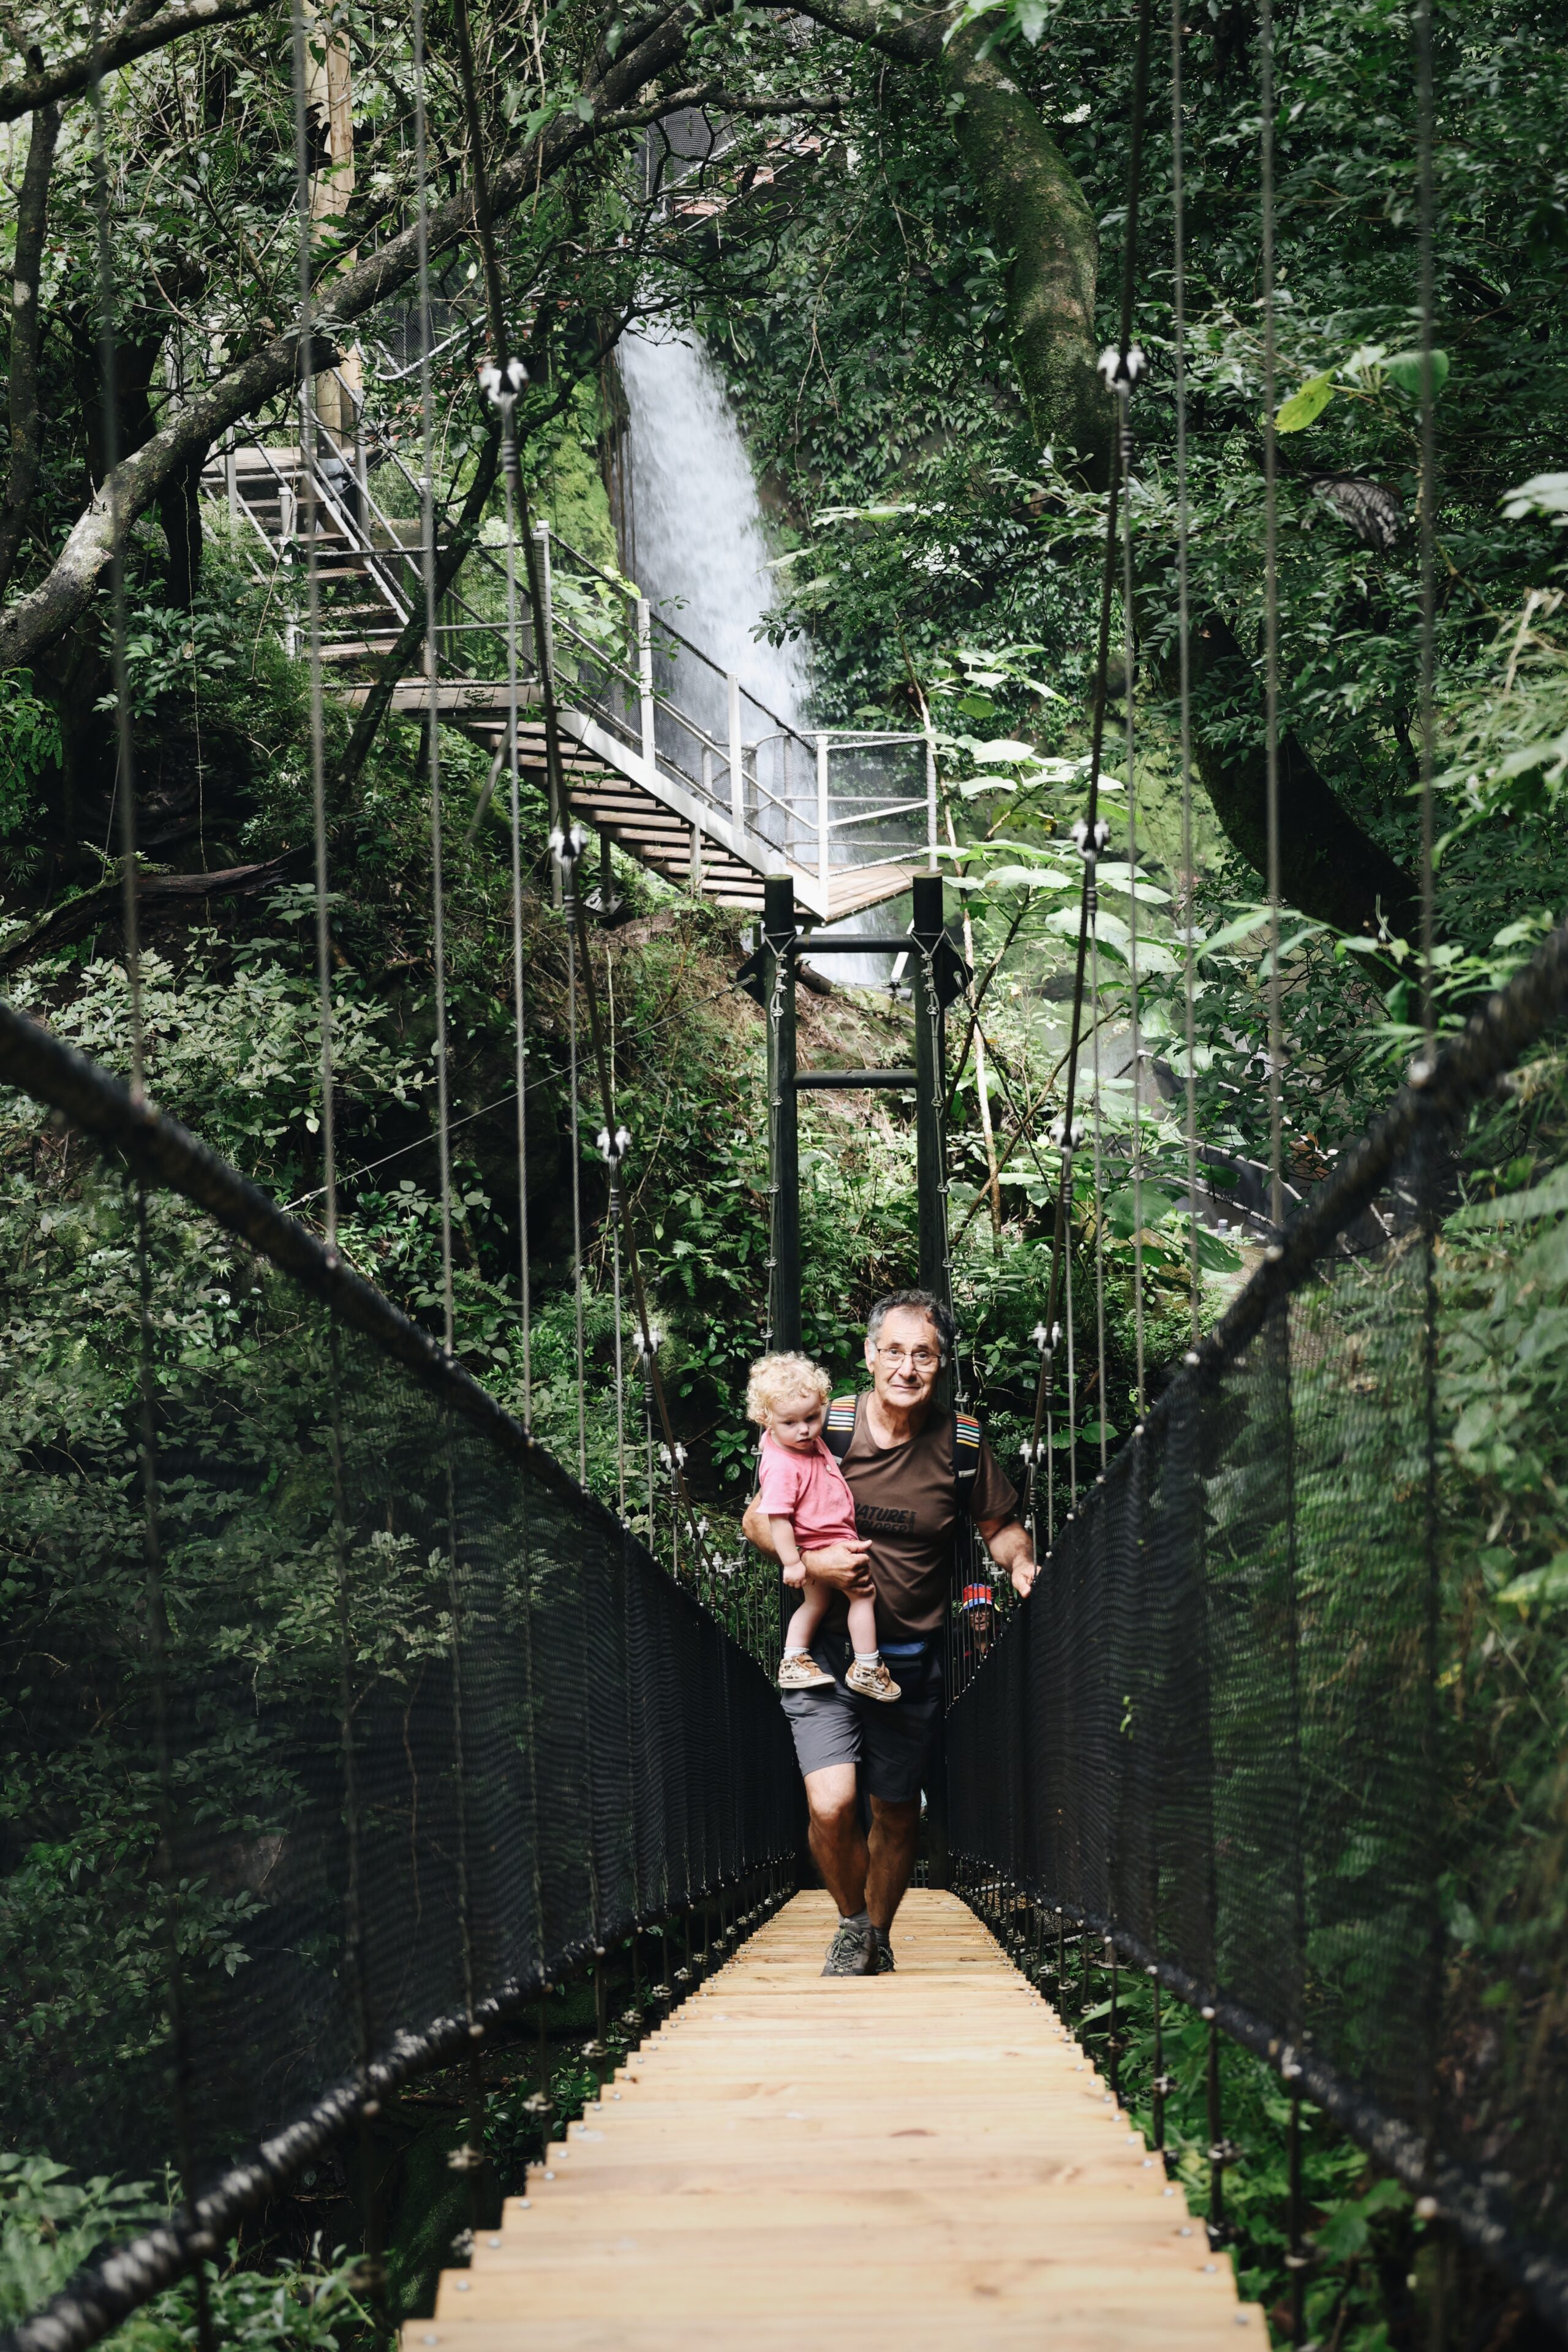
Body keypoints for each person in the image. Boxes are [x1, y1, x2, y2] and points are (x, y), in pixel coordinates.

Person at [743, 1287, 1037, 1978]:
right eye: (895, 1352)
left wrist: (1021, 1562)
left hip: (906, 1661)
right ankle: (851, 1925)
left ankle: (876, 1933)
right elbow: (758, 1518)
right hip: (825, 1655)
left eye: (924, 1355)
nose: (908, 1368)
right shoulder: (826, 1426)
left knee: (897, 1812)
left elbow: (999, 1527)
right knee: (832, 1803)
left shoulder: (962, 1444)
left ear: (942, 1363)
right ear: (870, 1355)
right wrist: (815, 1563)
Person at [748, 1352, 902, 1702]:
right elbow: (777, 1518)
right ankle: (867, 1667)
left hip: (825, 1536)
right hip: (822, 1540)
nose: (804, 1429)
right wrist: (792, 1562)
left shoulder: (792, 1441)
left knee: (815, 1604)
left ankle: (793, 1660)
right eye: (790, 1423)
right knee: (864, 1594)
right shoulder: (782, 1465)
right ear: (766, 1419)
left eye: (812, 1417)